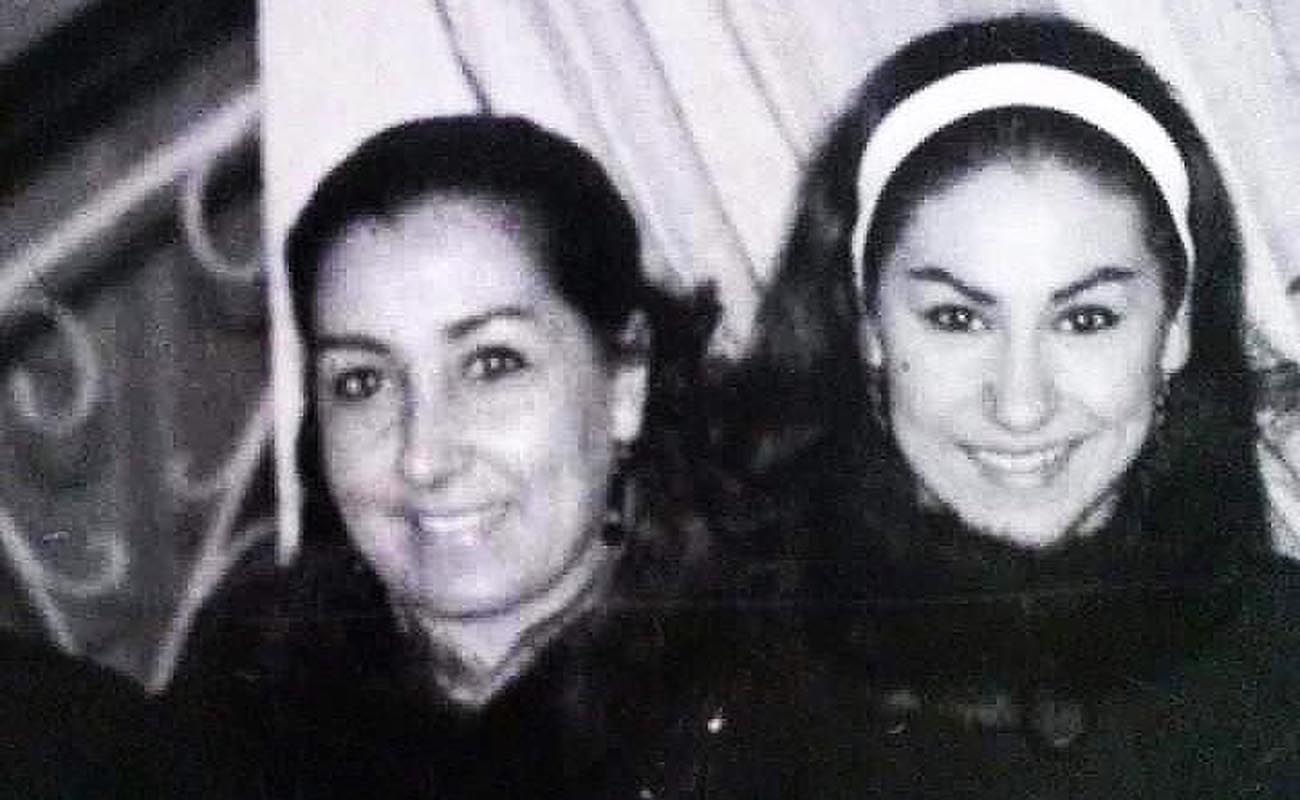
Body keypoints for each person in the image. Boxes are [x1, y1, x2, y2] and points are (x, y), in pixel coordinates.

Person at [724, 13, 1300, 796]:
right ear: (868, 327)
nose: (1020, 405)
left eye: (1085, 319)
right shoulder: (728, 693)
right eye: (957, 318)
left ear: (1174, 330)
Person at [172, 116, 808, 798]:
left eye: (492, 364)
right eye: (362, 381)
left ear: (625, 380)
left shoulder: (780, 711)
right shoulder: (247, 693)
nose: (423, 457)